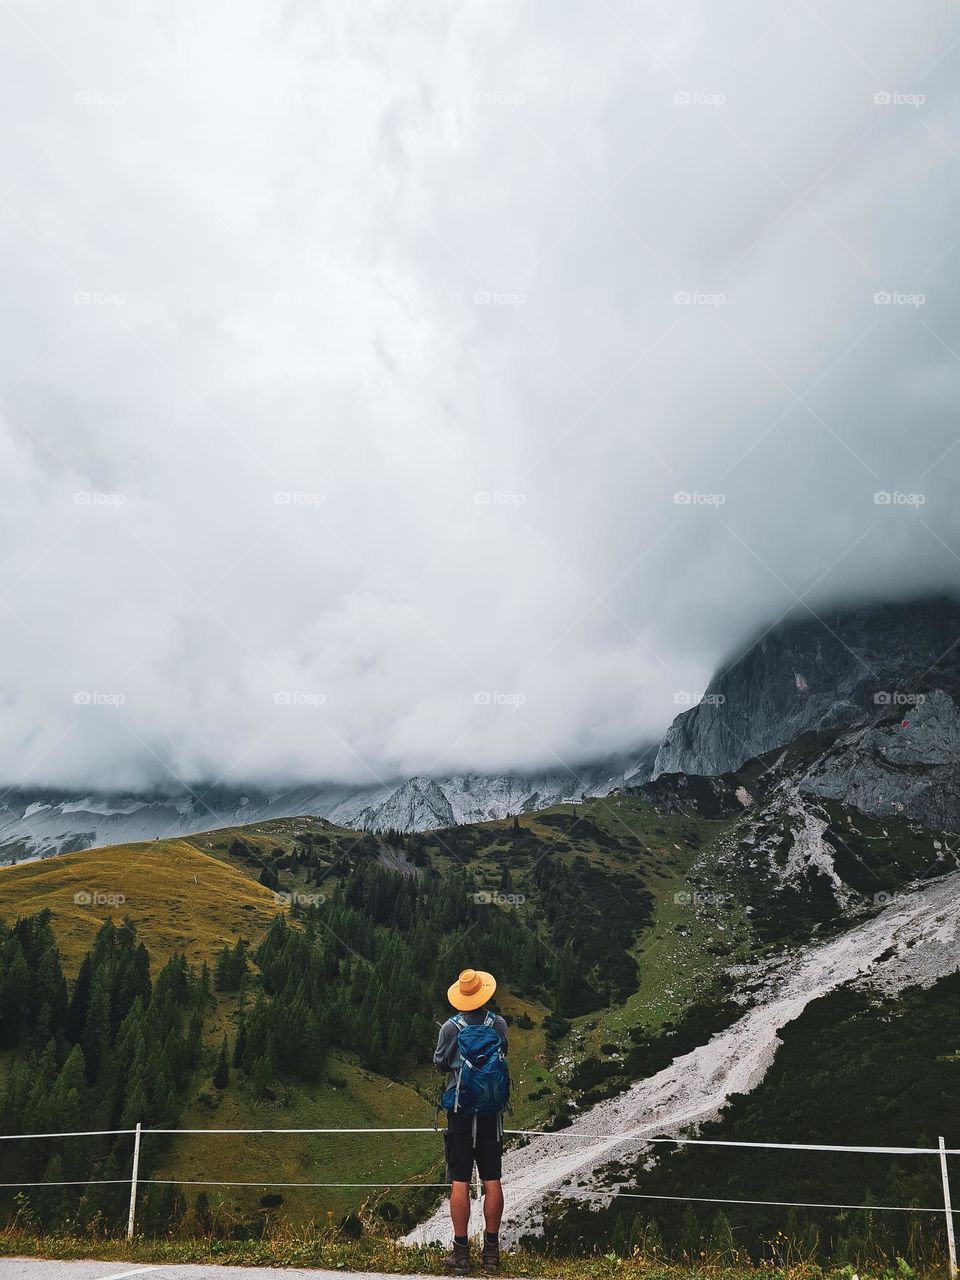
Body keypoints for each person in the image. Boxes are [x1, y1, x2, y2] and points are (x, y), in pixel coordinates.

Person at [434, 967, 509, 1274]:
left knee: (460, 1180)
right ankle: (491, 1253)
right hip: (491, 1113)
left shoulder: (451, 1028)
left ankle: (461, 1253)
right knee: (492, 1180)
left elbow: (440, 1062)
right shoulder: (498, 1023)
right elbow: (503, 1053)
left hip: (461, 1112)